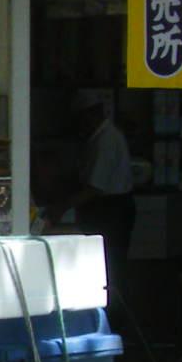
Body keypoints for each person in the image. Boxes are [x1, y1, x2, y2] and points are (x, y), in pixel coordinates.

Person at [67, 89, 134, 265]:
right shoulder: (99, 138)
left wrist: (62, 206)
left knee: (110, 262)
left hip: (111, 211)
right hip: (106, 208)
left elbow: (95, 187)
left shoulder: (107, 140)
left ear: (91, 115)